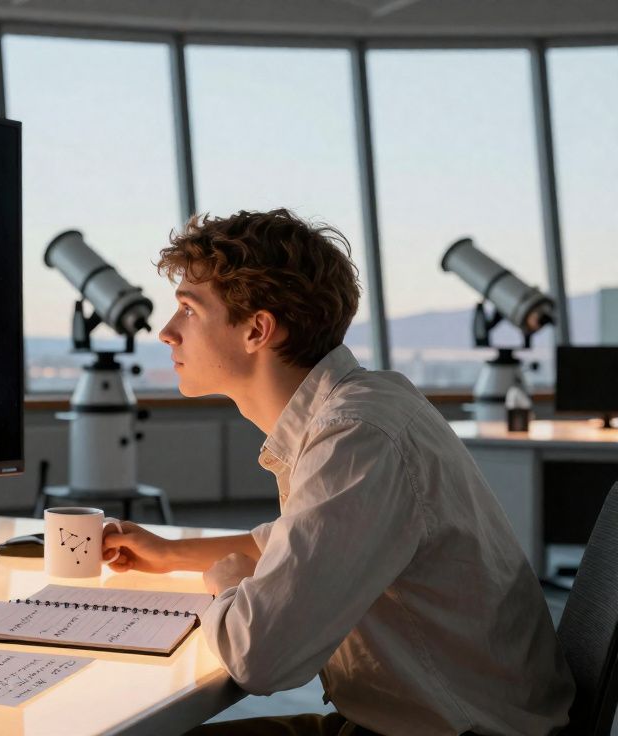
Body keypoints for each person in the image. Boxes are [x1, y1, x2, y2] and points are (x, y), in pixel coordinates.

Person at [102, 209, 574, 736]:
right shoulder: (369, 402)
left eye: (188, 310)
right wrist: (168, 555)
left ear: (257, 329)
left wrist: (226, 582)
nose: (167, 332)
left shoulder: (356, 436)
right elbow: (304, 543)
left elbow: (260, 657)